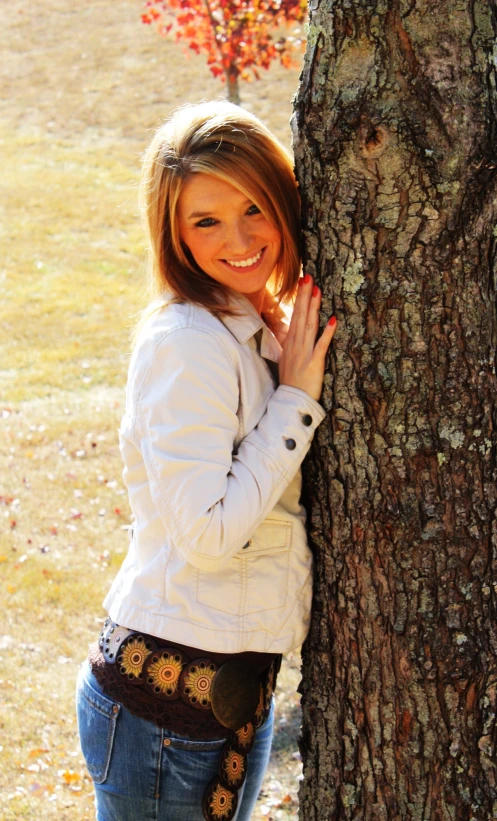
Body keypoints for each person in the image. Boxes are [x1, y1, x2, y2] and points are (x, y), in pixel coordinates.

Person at [76, 100, 337, 821]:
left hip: (224, 700)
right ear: (174, 232)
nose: (241, 237)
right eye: (205, 220)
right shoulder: (186, 342)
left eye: (254, 206)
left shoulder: (245, 326)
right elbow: (209, 531)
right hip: (162, 714)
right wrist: (293, 402)